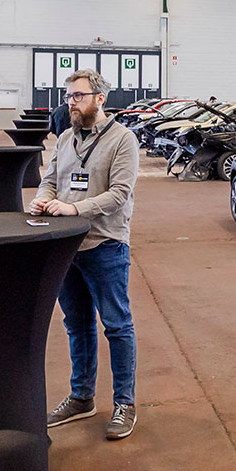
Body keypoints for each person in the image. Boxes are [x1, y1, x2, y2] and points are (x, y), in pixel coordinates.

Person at [31, 67, 141, 439]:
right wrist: (43, 198)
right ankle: (82, 397)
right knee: (76, 324)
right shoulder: (65, 138)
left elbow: (119, 194)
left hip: (104, 244)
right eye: (68, 97)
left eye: (77, 96)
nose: (71, 104)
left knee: (117, 325)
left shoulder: (122, 140)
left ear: (99, 98)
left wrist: (74, 209)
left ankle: (124, 403)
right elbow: (50, 178)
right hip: (66, 248)